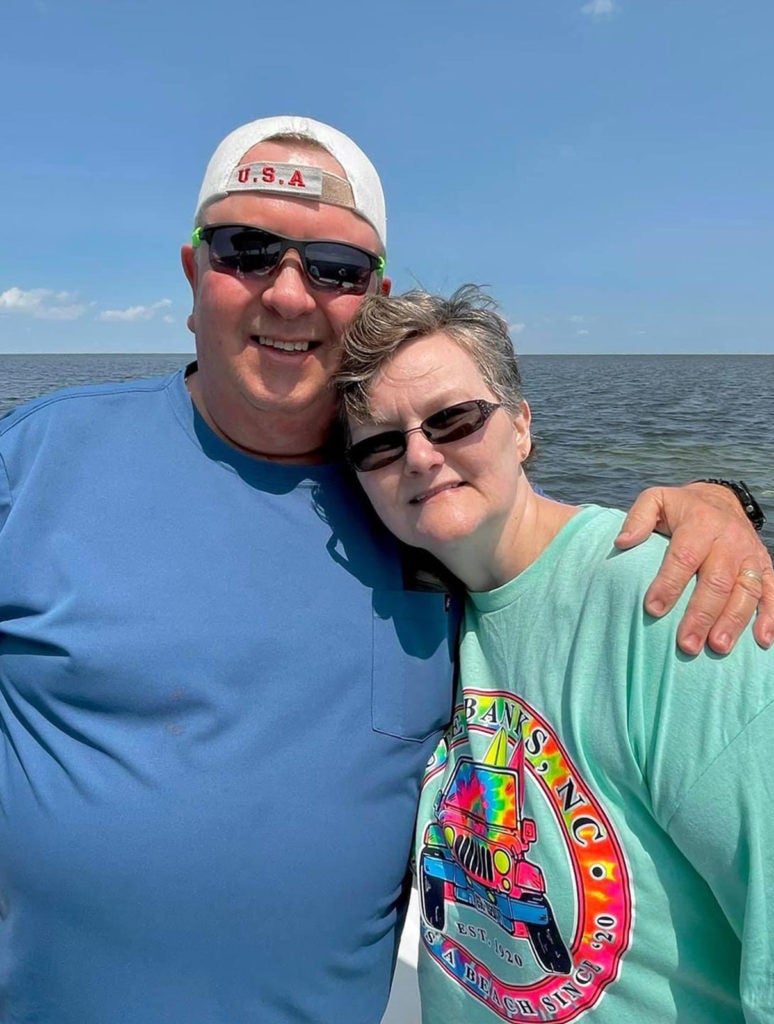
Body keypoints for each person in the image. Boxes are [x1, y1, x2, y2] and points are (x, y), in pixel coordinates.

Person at [0, 116, 770, 1024]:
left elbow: (532, 541)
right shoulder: (37, 460)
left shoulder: (412, 509)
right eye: (247, 250)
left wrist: (723, 502)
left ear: (371, 294)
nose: (290, 295)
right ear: (191, 272)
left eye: (334, 267)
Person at [336, 285, 773, 1024]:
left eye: (454, 419)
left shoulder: (670, 605)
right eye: (381, 443)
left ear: (523, 428)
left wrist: (726, 501)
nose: (419, 454)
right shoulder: (418, 610)